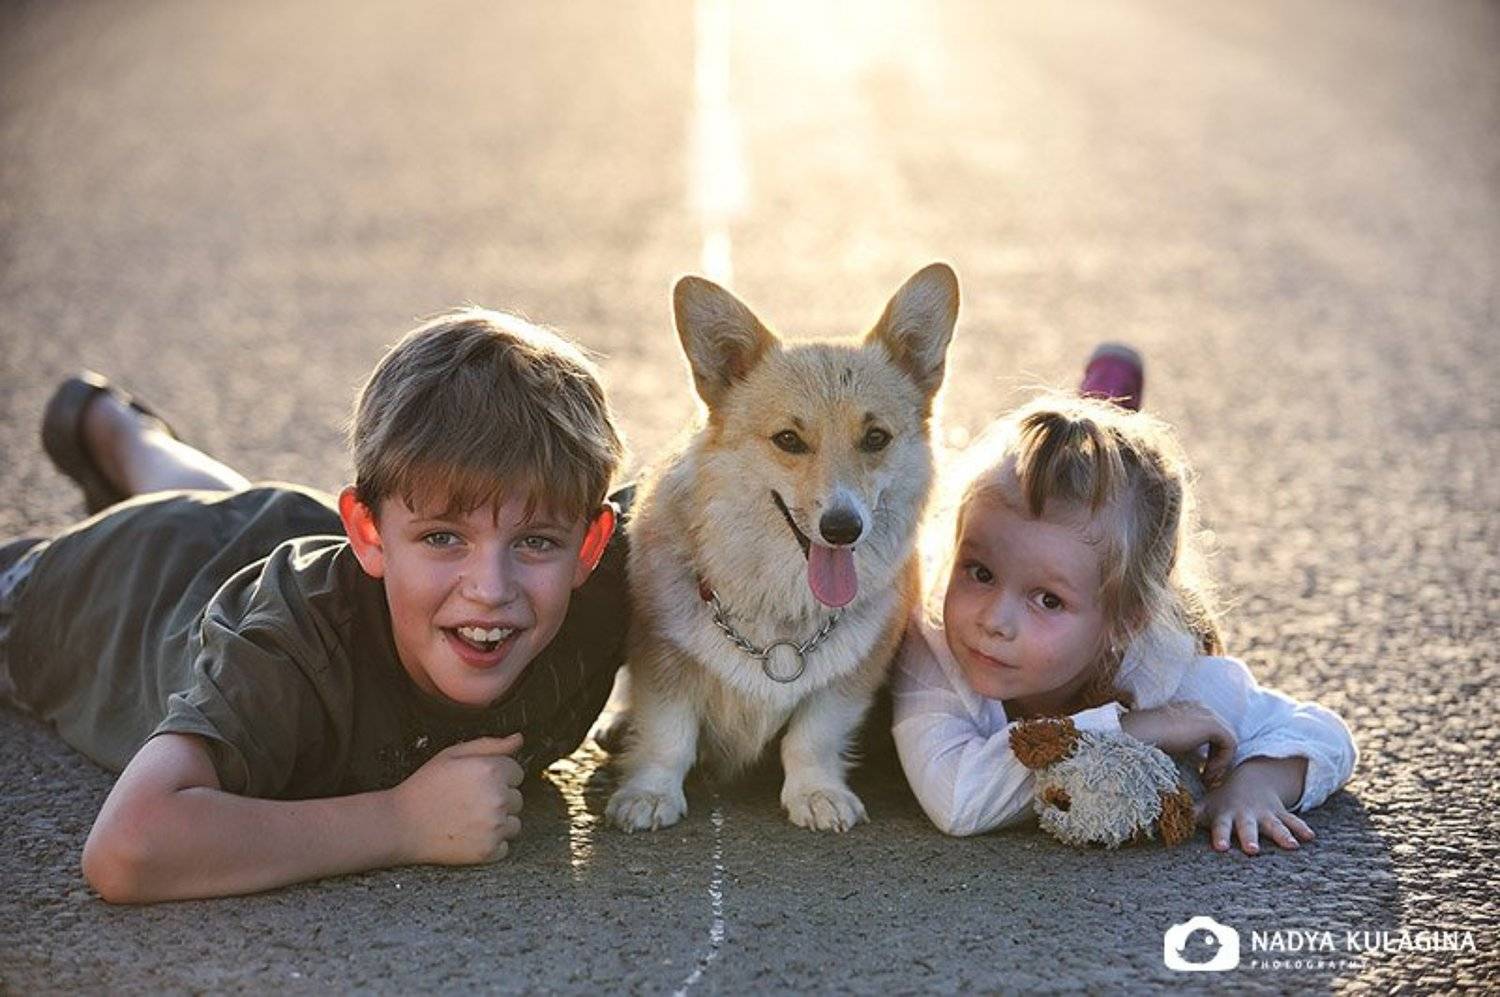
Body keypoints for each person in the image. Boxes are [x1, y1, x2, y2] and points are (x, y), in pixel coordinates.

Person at [0, 307, 630, 902]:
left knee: (235, 512)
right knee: (188, 529)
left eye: (536, 542)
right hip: (101, 589)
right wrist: (402, 822)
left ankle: (116, 428)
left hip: (274, 532)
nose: (491, 589)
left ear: (591, 545)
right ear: (369, 532)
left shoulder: (625, 575)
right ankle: (118, 434)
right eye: (444, 537)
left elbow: (706, 495)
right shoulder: (293, 654)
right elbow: (128, 847)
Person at [892, 346, 1356, 854]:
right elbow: (960, 801)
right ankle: (1100, 405)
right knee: (1087, 491)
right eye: (979, 572)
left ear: (1126, 622)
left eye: (1047, 601)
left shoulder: (1164, 665)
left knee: (1118, 517)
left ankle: (1104, 403)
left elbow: (1324, 734)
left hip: (1127, 593)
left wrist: (1257, 784)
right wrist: (1131, 729)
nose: (994, 621)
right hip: (1097, 572)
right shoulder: (935, 636)